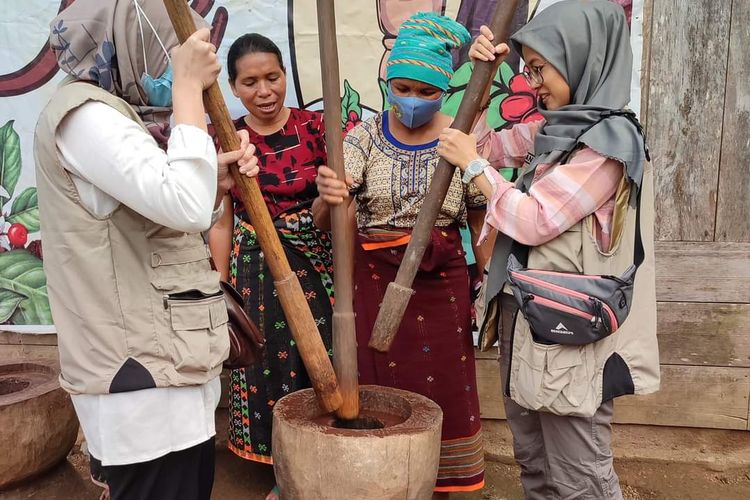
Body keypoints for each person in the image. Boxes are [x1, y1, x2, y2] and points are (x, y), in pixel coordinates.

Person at [34, 1, 258, 499]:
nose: (168, 75)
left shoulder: (121, 118)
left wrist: (214, 185)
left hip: (168, 372)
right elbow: (183, 205)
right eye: (170, 61)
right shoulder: (85, 116)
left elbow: (176, 210)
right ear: (129, 45)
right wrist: (184, 92)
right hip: (139, 384)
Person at [436, 1, 659, 498]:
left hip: (571, 333)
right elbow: (482, 143)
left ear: (581, 56)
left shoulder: (607, 146)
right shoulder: (557, 130)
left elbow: (536, 220)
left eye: (539, 68)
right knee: (534, 459)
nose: (532, 82)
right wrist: (482, 73)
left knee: (579, 472)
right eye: (528, 68)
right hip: (529, 318)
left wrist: (475, 170)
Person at [314, 12, 488, 498]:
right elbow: (326, 215)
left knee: (447, 383)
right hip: (372, 277)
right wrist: (327, 194)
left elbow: (480, 212)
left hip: (441, 280)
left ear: (444, 91)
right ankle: (381, 475)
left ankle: (444, 478)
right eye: (403, 87)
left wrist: (489, 277)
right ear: (389, 81)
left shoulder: (461, 137)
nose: (412, 99)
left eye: (426, 91)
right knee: (377, 379)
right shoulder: (363, 137)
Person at [207, 33, 333, 500]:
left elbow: (337, 204)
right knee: (268, 369)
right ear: (235, 88)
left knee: (320, 362)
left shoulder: (317, 128)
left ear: (285, 76)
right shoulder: (225, 136)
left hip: (316, 269)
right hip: (256, 272)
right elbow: (221, 219)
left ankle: (323, 460)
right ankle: (283, 473)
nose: (264, 91)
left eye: (273, 77)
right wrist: (222, 286)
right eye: (250, 81)